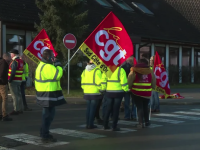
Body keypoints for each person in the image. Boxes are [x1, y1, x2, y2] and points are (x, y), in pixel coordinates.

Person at [35, 49, 66, 142]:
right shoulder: (47, 67)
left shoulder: (41, 65)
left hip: (44, 93)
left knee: (47, 115)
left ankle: (43, 132)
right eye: (52, 56)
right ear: (48, 57)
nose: (54, 58)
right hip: (48, 93)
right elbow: (58, 75)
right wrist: (58, 65)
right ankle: (45, 135)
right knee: (48, 116)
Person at [128, 58, 156, 128]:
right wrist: (153, 87)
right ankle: (147, 122)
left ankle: (141, 123)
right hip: (147, 92)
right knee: (145, 107)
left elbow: (130, 80)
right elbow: (153, 81)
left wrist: (130, 87)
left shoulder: (134, 70)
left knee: (139, 107)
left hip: (136, 92)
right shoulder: (150, 70)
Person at [104, 66, 129, 131]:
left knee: (108, 108)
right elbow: (123, 81)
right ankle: (114, 126)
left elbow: (103, 80)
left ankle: (105, 125)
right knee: (116, 109)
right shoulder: (121, 70)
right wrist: (126, 89)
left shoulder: (107, 69)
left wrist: (103, 88)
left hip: (109, 91)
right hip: (118, 92)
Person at [81, 60, 104, 129]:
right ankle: (90, 124)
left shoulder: (85, 71)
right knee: (93, 109)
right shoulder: (97, 70)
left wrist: (84, 88)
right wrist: (102, 89)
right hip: (95, 92)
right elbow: (99, 82)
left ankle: (87, 123)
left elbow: (82, 81)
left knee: (88, 108)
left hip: (87, 91)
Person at [8, 49, 24, 115]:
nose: (10, 55)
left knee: (14, 96)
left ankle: (16, 109)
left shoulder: (14, 61)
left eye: (11, 54)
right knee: (19, 95)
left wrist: (10, 80)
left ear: (13, 54)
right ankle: (20, 109)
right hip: (19, 80)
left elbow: (13, 72)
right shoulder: (20, 61)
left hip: (13, 80)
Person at [121, 56, 137, 120]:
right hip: (133, 87)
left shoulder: (123, 67)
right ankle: (134, 115)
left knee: (127, 102)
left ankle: (127, 115)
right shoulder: (135, 68)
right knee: (134, 103)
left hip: (126, 87)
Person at [0, 53, 12, 121]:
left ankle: (1, 114)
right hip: (2, 83)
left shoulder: (1, 62)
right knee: (5, 98)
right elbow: (1, 73)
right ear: (6, 57)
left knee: (1, 99)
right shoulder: (4, 63)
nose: (10, 58)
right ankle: (4, 115)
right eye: (9, 57)